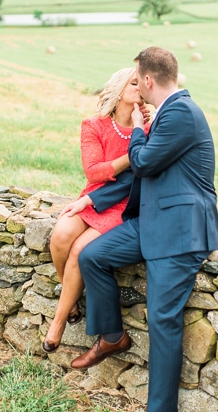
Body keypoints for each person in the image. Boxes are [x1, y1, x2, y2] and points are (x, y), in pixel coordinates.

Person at [68, 46, 218, 412]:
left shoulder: (180, 113)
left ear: (149, 81)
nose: (137, 86)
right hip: (151, 221)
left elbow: (144, 162)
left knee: (162, 318)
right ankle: (113, 335)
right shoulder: (167, 114)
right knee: (92, 255)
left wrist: (136, 127)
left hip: (182, 233)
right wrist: (92, 201)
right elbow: (136, 177)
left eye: (139, 79)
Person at [41, 67, 149, 352]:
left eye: (142, 83)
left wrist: (139, 139)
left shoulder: (147, 129)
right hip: (94, 195)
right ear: (118, 88)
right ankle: (71, 298)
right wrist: (133, 155)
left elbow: (136, 178)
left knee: (79, 251)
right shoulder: (94, 125)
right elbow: (94, 172)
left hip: (122, 204)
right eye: (133, 82)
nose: (140, 87)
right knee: (61, 235)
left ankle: (59, 322)